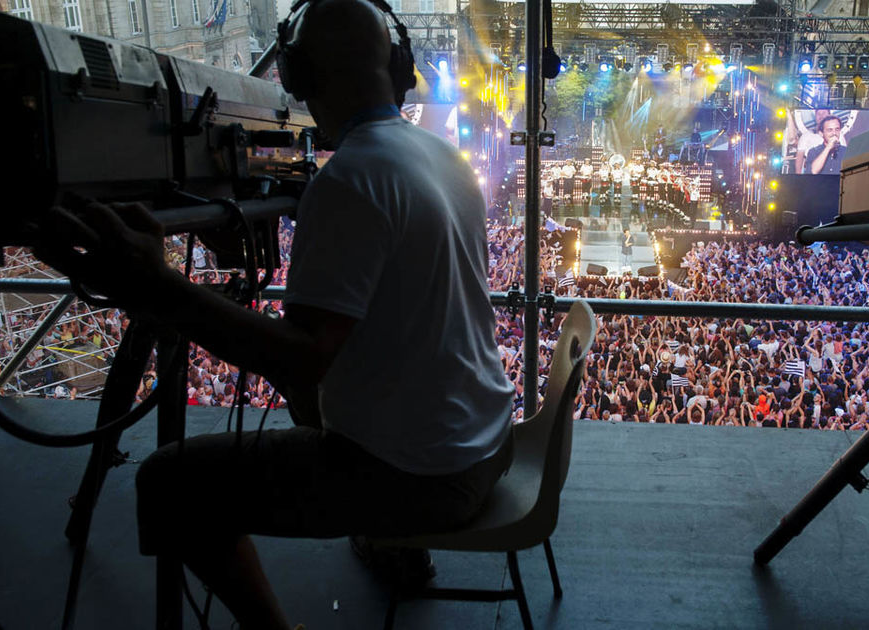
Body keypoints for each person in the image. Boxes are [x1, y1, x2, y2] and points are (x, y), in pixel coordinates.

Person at [32, 1, 514, 627]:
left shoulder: (351, 179)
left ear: (294, 75)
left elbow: (299, 359)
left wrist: (156, 285)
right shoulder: (439, 155)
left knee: (170, 484)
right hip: (484, 442)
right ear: (398, 68)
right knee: (309, 410)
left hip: (425, 478)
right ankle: (399, 546)